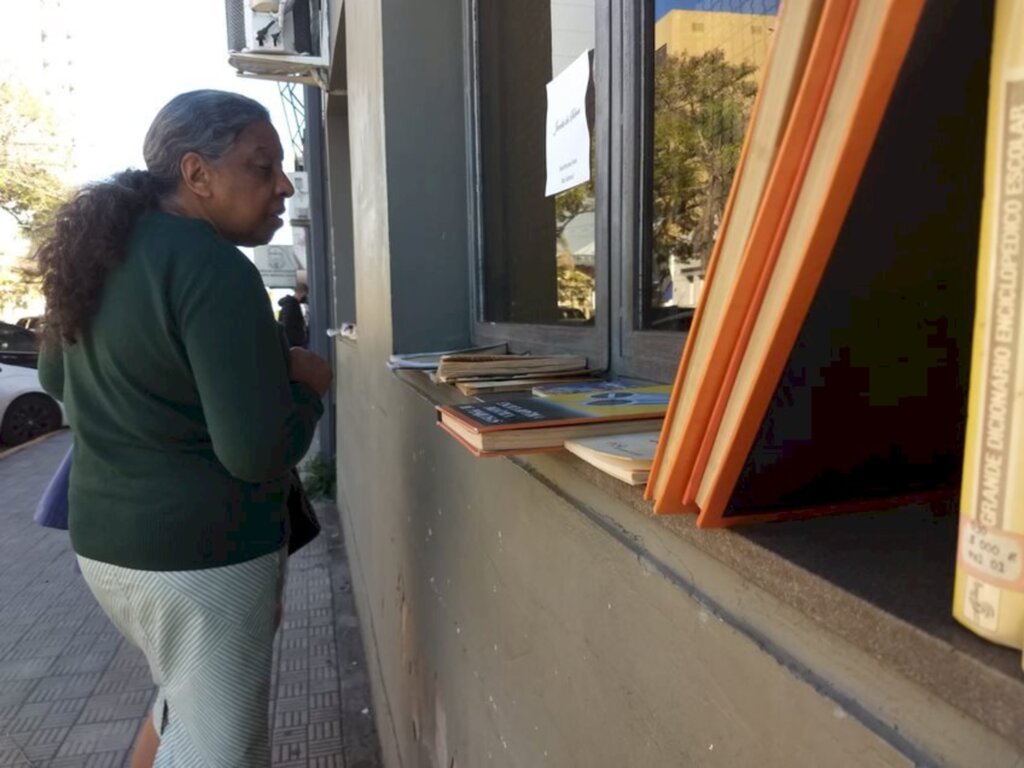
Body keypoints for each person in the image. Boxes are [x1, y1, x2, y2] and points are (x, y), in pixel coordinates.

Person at [34, 90, 332, 768]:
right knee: (216, 749)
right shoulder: (212, 266)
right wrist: (307, 391)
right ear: (198, 173)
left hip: (106, 547)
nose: (282, 185)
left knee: (185, 701)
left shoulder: (98, 252)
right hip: (202, 558)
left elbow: (55, 381)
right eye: (263, 166)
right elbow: (258, 453)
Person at [278, 281, 308, 347]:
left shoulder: (291, 304)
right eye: (305, 294)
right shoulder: (291, 305)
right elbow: (287, 325)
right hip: (293, 344)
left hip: (293, 343)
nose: (305, 297)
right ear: (301, 293)